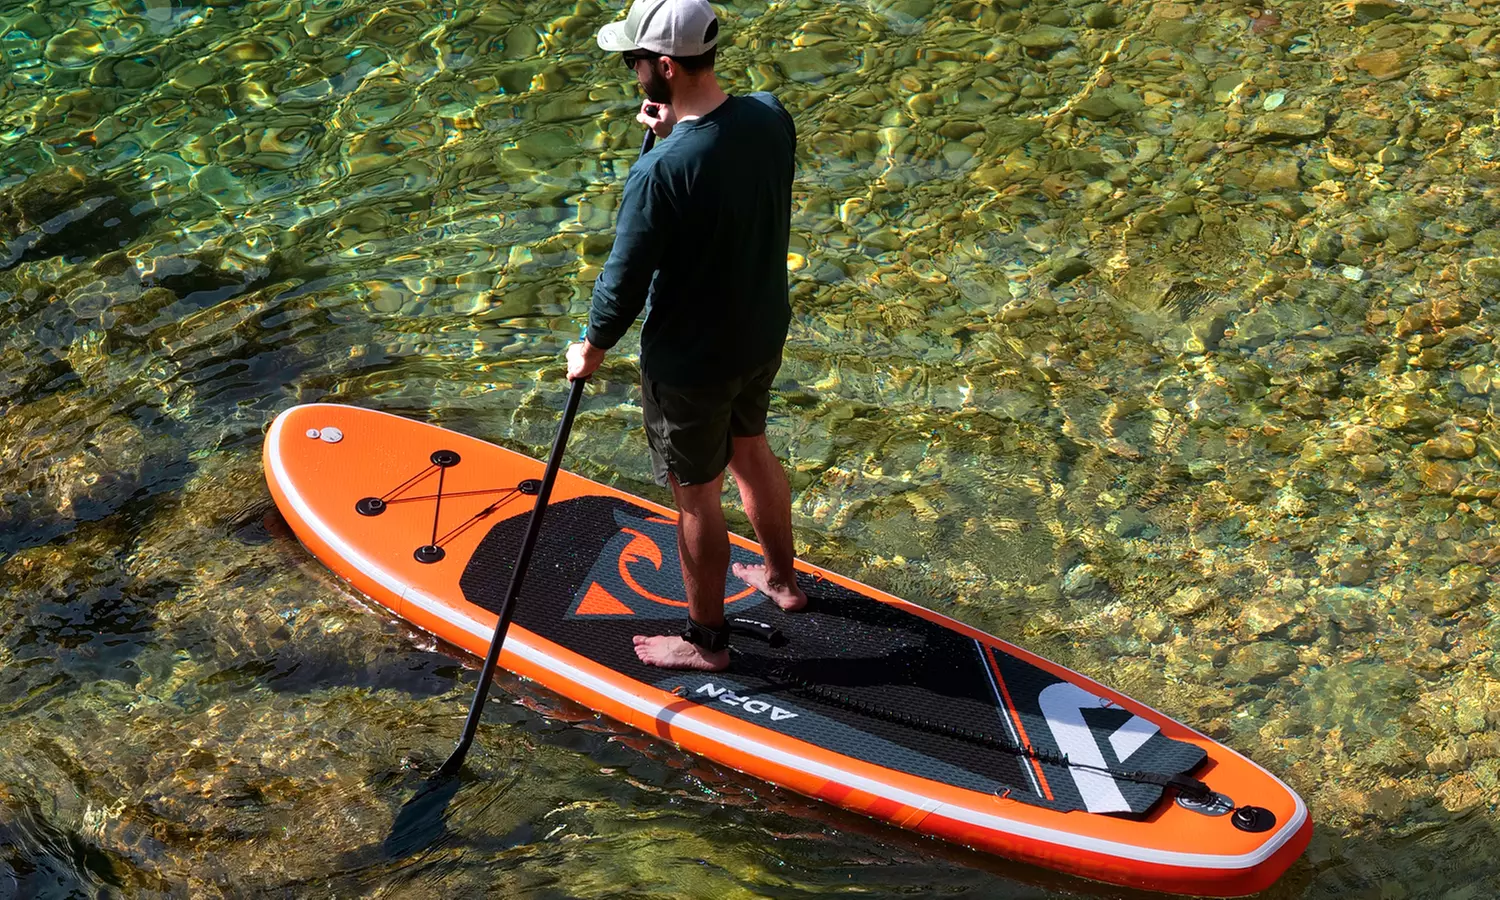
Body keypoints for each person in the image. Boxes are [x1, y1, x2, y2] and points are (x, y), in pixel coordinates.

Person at [566, 0, 806, 672]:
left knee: (695, 495)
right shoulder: (769, 115)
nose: (632, 72)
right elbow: (724, 162)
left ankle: (706, 644)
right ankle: (784, 582)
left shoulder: (660, 173)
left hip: (691, 363)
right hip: (761, 332)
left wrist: (591, 346)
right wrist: (677, 126)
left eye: (633, 61)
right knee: (751, 448)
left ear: (664, 65)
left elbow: (623, 279)